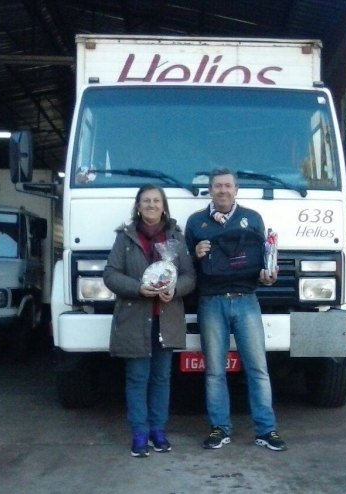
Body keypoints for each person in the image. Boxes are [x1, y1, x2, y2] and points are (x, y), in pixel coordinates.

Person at [184, 167, 287, 451]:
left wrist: (269, 276)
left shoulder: (252, 218)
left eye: (228, 185)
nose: (223, 190)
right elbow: (183, 268)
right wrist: (195, 255)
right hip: (210, 302)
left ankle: (266, 430)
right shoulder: (195, 223)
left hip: (247, 300)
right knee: (215, 371)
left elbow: (264, 262)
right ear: (210, 190)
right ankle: (219, 428)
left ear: (236, 189)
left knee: (258, 369)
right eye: (218, 186)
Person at [103, 184, 196, 458]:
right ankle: (139, 434)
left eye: (156, 200)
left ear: (163, 205)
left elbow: (190, 276)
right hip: (135, 318)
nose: (152, 205)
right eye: (146, 201)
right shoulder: (125, 237)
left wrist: (175, 290)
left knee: (161, 379)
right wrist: (138, 288)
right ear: (138, 206)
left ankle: (158, 431)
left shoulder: (176, 238)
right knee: (137, 378)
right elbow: (110, 274)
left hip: (165, 320)